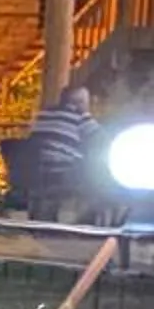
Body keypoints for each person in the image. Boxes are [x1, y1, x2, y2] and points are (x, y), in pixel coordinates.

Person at [22, 85, 96, 220]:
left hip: (35, 169)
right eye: (86, 101)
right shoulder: (80, 116)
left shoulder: (43, 114)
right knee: (96, 175)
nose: (88, 105)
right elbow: (100, 138)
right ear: (78, 103)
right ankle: (86, 220)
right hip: (61, 171)